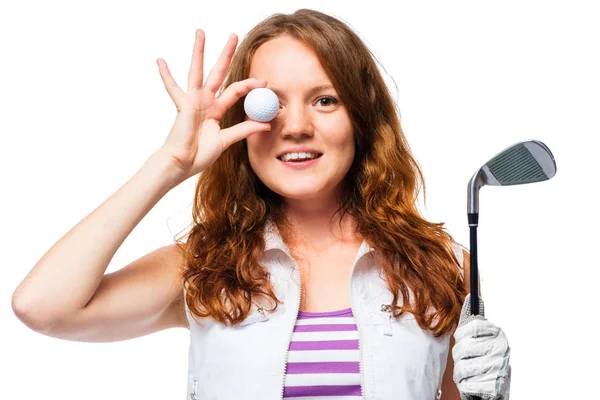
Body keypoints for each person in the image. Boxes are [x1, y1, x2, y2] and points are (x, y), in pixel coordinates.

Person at [11, 8, 511, 400]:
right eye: (269, 103)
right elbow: (42, 307)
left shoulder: (440, 267)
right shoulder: (205, 267)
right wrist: (169, 163)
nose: (295, 126)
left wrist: (490, 397)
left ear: (361, 117)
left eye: (325, 100)